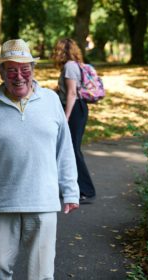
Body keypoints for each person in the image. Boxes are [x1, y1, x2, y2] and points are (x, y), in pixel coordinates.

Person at [0, 38, 80, 280]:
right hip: (2, 201)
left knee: (41, 275)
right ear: (1, 73)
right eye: (12, 70)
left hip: (43, 200)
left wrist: (70, 190)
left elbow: (65, 149)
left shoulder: (51, 101)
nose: (19, 76)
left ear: (33, 71)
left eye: (25, 70)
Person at [52, 38, 96, 203]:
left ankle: (86, 190)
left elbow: (72, 93)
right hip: (75, 108)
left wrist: (66, 116)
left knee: (73, 150)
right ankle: (72, 188)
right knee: (69, 149)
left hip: (74, 110)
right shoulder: (72, 66)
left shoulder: (70, 66)